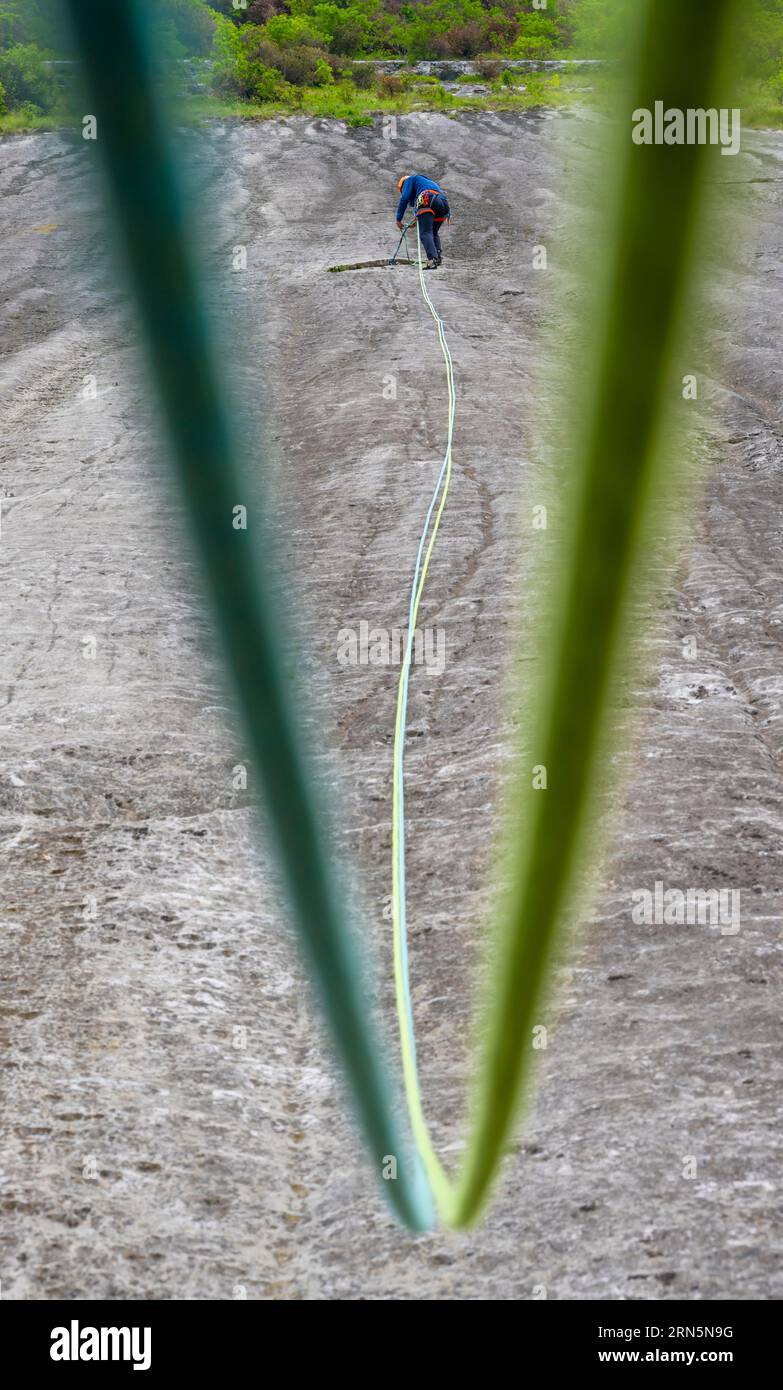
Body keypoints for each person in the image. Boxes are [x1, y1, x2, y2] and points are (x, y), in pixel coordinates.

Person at [395, 173, 450, 269]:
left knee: (425, 233)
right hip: (443, 203)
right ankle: (437, 257)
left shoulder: (409, 180)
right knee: (433, 232)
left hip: (427, 197)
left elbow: (405, 198)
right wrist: (414, 222)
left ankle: (432, 260)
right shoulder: (425, 183)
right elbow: (423, 214)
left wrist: (398, 219)